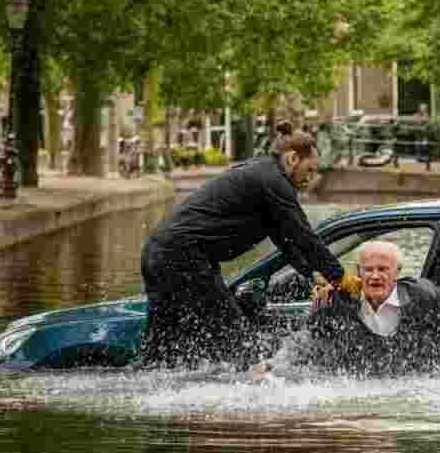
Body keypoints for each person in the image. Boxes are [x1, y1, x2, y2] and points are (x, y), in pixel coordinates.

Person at [138, 132, 361, 369]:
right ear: (293, 158)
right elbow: (304, 235)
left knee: (163, 345)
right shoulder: (274, 181)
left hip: (157, 253)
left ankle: (145, 382)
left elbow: (285, 240)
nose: (310, 177)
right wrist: (339, 276)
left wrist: (311, 274)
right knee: (238, 339)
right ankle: (254, 392)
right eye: (309, 170)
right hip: (183, 257)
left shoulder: (262, 174)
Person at [271, 240, 440, 379]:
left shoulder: (422, 294)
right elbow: (308, 339)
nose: (375, 276)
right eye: (368, 269)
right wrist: (274, 366)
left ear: (397, 273)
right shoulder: (337, 300)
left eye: (383, 269)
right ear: (359, 273)